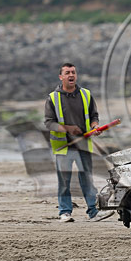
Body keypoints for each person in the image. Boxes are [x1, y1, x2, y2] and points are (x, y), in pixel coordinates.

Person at [44, 63, 114, 223]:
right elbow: (49, 123)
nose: (71, 75)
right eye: (67, 72)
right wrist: (67, 128)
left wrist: (95, 126)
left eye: (73, 72)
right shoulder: (53, 98)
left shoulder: (86, 95)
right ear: (61, 77)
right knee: (64, 182)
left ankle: (93, 212)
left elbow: (94, 116)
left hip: (83, 145)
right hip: (63, 147)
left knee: (87, 180)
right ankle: (65, 212)